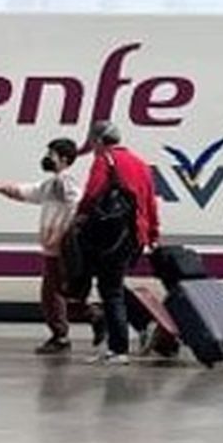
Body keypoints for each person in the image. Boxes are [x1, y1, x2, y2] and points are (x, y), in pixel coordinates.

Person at [0, 138, 103, 355]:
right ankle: (75, 326)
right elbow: (29, 191)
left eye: (51, 154)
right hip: (53, 249)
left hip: (61, 249)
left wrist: (62, 233)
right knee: (57, 293)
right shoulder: (52, 184)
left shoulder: (65, 182)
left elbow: (76, 203)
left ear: (64, 159)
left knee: (57, 293)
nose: (47, 157)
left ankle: (82, 323)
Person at [76, 120, 160, 365]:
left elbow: (92, 193)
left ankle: (119, 348)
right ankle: (140, 326)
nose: (92, 148)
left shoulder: (105, 160)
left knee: (110, 290)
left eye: (93, 143)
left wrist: (79, 218)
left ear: (99, 141)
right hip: (134, 235)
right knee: (111, 285)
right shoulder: (141, 164)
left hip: (111, 236)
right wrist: (153, 233)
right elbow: (150, 202)